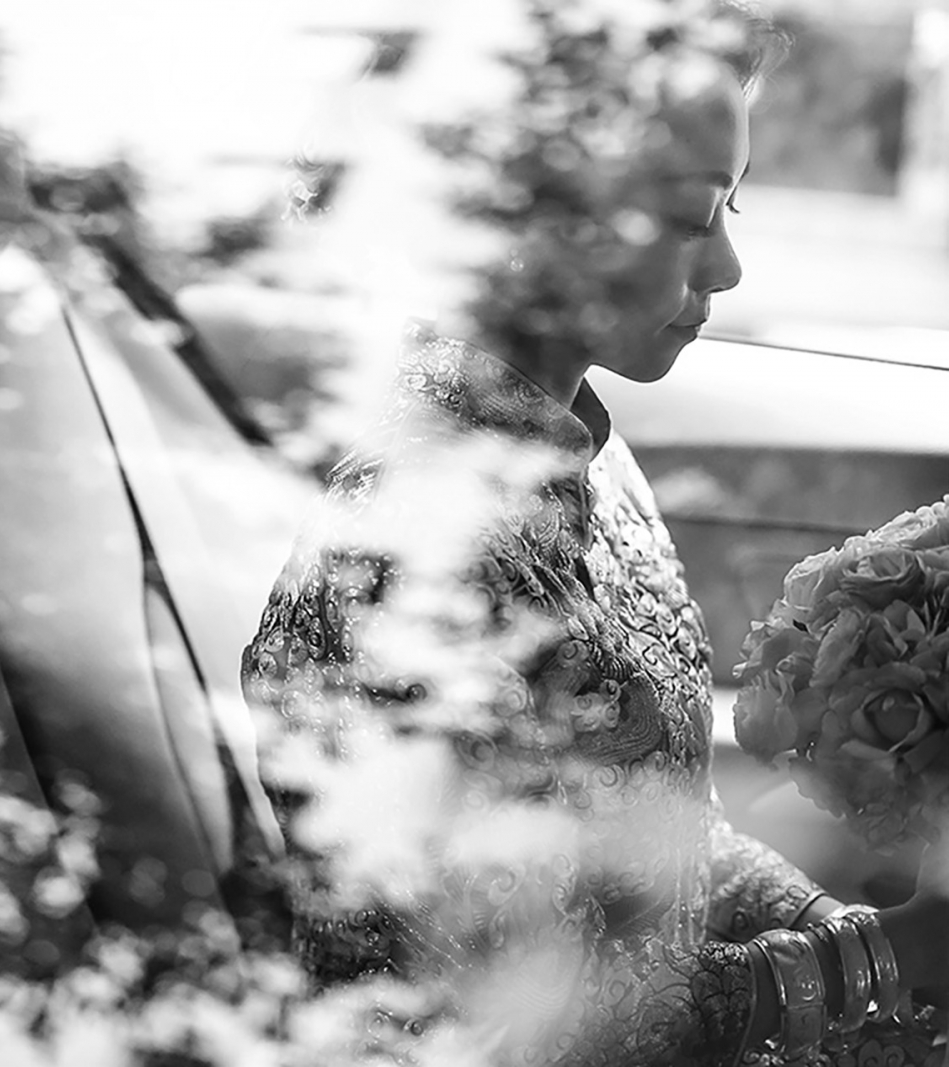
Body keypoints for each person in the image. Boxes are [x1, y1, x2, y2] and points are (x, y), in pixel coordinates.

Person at [241, 4, 949, 1065]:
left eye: (731, 210)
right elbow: (529, 1013)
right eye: (684, 214)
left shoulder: (591, 463)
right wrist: (881, 962)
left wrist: (834, 927)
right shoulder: (404, 553)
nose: (725, 270)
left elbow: (657, 842)